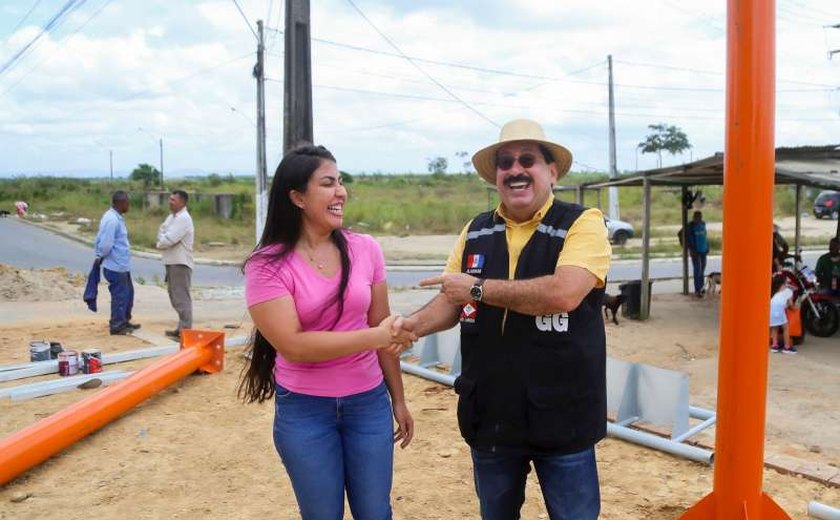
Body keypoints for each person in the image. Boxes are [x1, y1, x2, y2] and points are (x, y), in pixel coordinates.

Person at [397, 119, 611, 519]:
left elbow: (563, 293)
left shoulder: (582, 224)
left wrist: (477, 289)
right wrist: (413, 326)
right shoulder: (476, 230)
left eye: (527, 160)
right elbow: (452, 298)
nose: (515, 170)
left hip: (564, 415)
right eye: (505, 162)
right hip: (491, 415)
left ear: (552, 171)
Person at [238, 144, 416, 519]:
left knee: (375, 513)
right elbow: (295, 346)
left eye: (341, 182)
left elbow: (381, 324)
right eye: (328, 183)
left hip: (368, 404)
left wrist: (397, 399)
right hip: (305, 411)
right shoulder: (266, 266)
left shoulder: (365, 249)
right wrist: (377, 336)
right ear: (298, 197)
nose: (341, 192)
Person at [94, 190, 138, 335]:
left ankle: (124, 321)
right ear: (121, 203)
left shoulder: (116, 217)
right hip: (115, 265)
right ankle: (117, 325)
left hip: (121, 264)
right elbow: (106, 244)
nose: (129, 205)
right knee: (120, 296)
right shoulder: (112, 220)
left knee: (128, 294)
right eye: (127, 202)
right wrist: (100, 255)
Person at [156, 189, 195, 341]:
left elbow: (169, 239)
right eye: (169, 199)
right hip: (172, 261)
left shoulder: (183, 219)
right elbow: (161, 232)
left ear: (182, 202)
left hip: (180, 263)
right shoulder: (172, 217)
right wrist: (162, 239)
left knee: (181, 297)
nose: (169, 202)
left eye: (173, 200)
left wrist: (162, 241)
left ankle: (186, 331)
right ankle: (181, 329)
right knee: (174, 295)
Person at [684, 211, 709, 297]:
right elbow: (689, 239)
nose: (699, 218)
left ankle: (701, 288)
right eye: (697, 217)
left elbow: (705, 236)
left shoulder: (703, 224)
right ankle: (697, 290)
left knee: (702, 270)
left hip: (703, 251)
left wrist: (707, 247)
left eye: (700, 217)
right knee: (697, 270)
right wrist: (693, 249)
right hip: (695, 252)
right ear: (693, 217)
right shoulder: (690, 226)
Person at [769, 273, 796, 354]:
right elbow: (791, 305)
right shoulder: (788, 291)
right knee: (785, 328)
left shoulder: (773, 290)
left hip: (771, 310)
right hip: (780, 311)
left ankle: (774, 345)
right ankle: (787, 347)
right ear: (784, 283)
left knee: (774, 328)